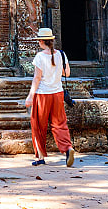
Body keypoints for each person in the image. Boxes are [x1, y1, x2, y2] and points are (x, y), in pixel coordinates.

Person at [25, 27, 74, 167]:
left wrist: (30, 96)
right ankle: (68, 148)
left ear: (41, 41)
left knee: (38, 126)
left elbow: (37, 78)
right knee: (60, 124)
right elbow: (67, 73)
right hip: (57, 93)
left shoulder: (40, 57)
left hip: (42, 95)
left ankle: (40, 156)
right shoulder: (61, 55)